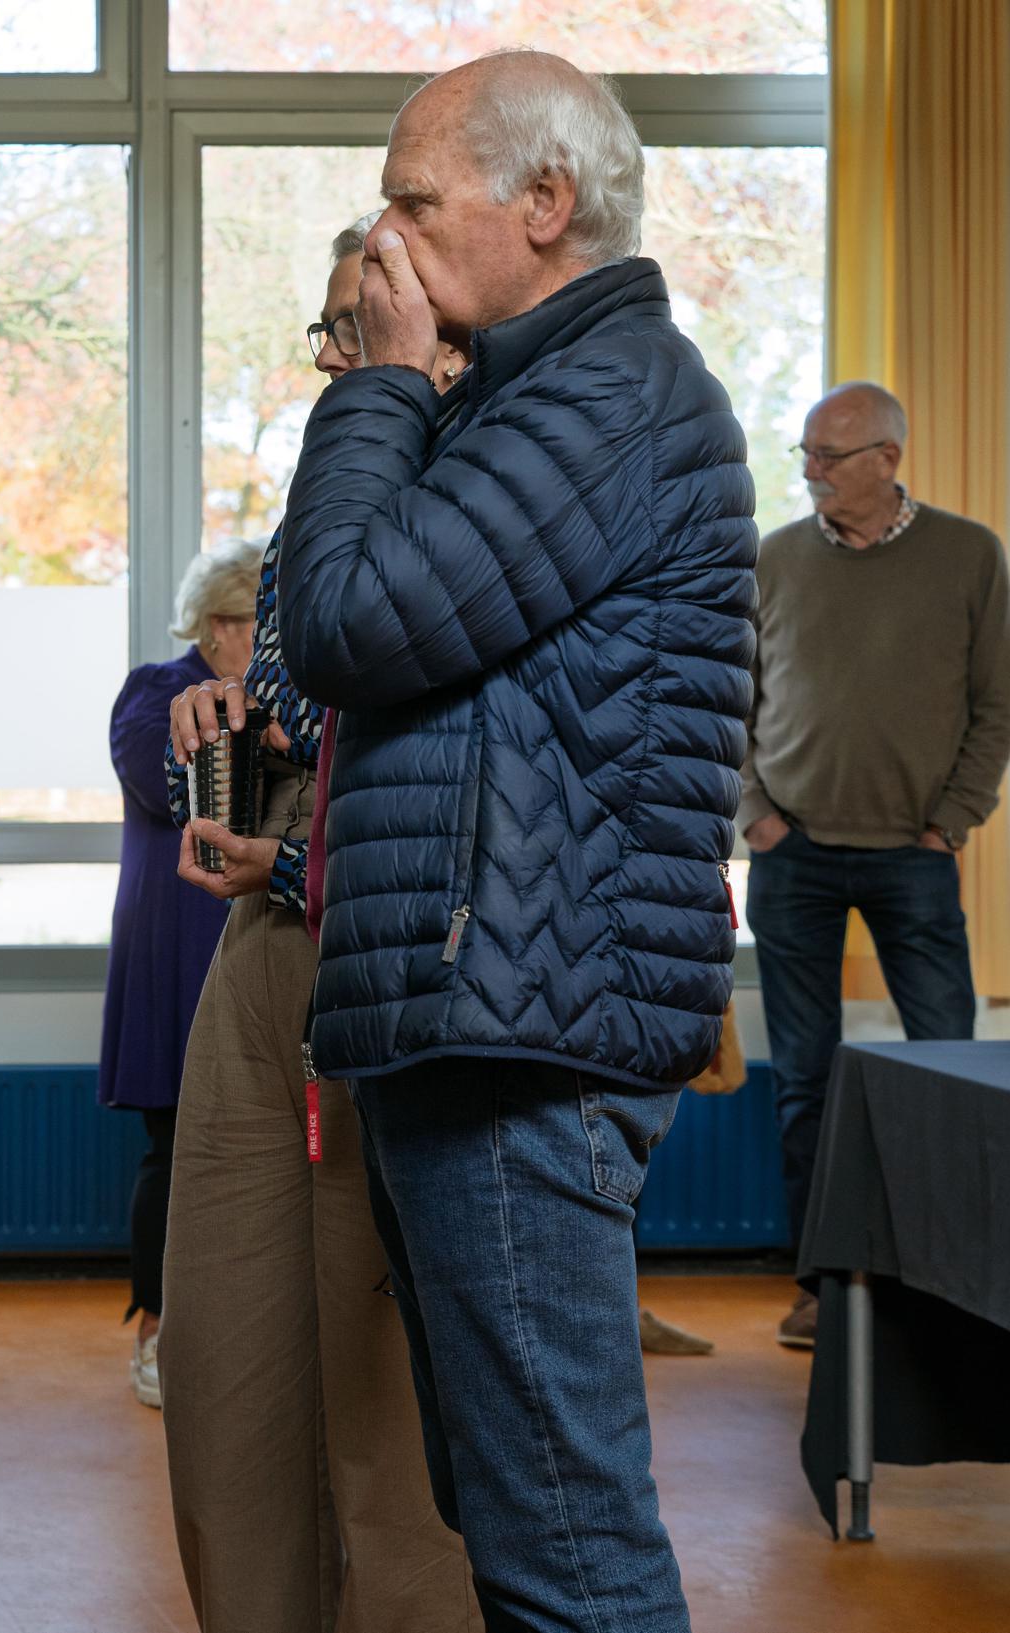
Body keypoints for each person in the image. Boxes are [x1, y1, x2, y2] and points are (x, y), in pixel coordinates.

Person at [276, 51, 757, 1632]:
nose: (384, 237)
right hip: (486, 1015)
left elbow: (349, 617)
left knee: (561, 1542)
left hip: (520, 1035)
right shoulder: (525, 397)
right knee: (510, 1517)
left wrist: (369, 389)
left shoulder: (607, 398)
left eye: (415, 199)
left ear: (542, 205)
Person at [154, 215, 478, 1631]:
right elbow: (302, 727)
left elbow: (460, 772)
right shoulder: (312, 508)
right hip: (263, 961)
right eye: (328, 335)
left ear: (450, 346)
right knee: (229, 1357)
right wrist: (222, 736)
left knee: (388, 1386)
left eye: (365, 333)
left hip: (401, 979)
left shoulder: (494, 500)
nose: (336, 363)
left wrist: (295, 845)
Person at [742, 380, 1010, 1348]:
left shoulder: (969, 555)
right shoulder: (773, 558)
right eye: (804, 453)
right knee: (805, 1081)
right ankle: (819, 1285)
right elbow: (730, 703)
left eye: (827, 456)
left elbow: (994, 708)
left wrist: (950, 821)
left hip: (913, 858)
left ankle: (958, 1286)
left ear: (885, 460)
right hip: (791, 857)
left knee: (954, 1067)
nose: (809, 471)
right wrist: (753, 814)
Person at [97, 544, 254, 1407]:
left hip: (249, 939)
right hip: (173, 948)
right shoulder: (154, 692)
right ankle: (156, 1331)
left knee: (253, 1150)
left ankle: (236, 1328)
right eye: (251, 624)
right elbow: (178, 795)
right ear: (218, 626)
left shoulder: (272, 693)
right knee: (172, 1143)